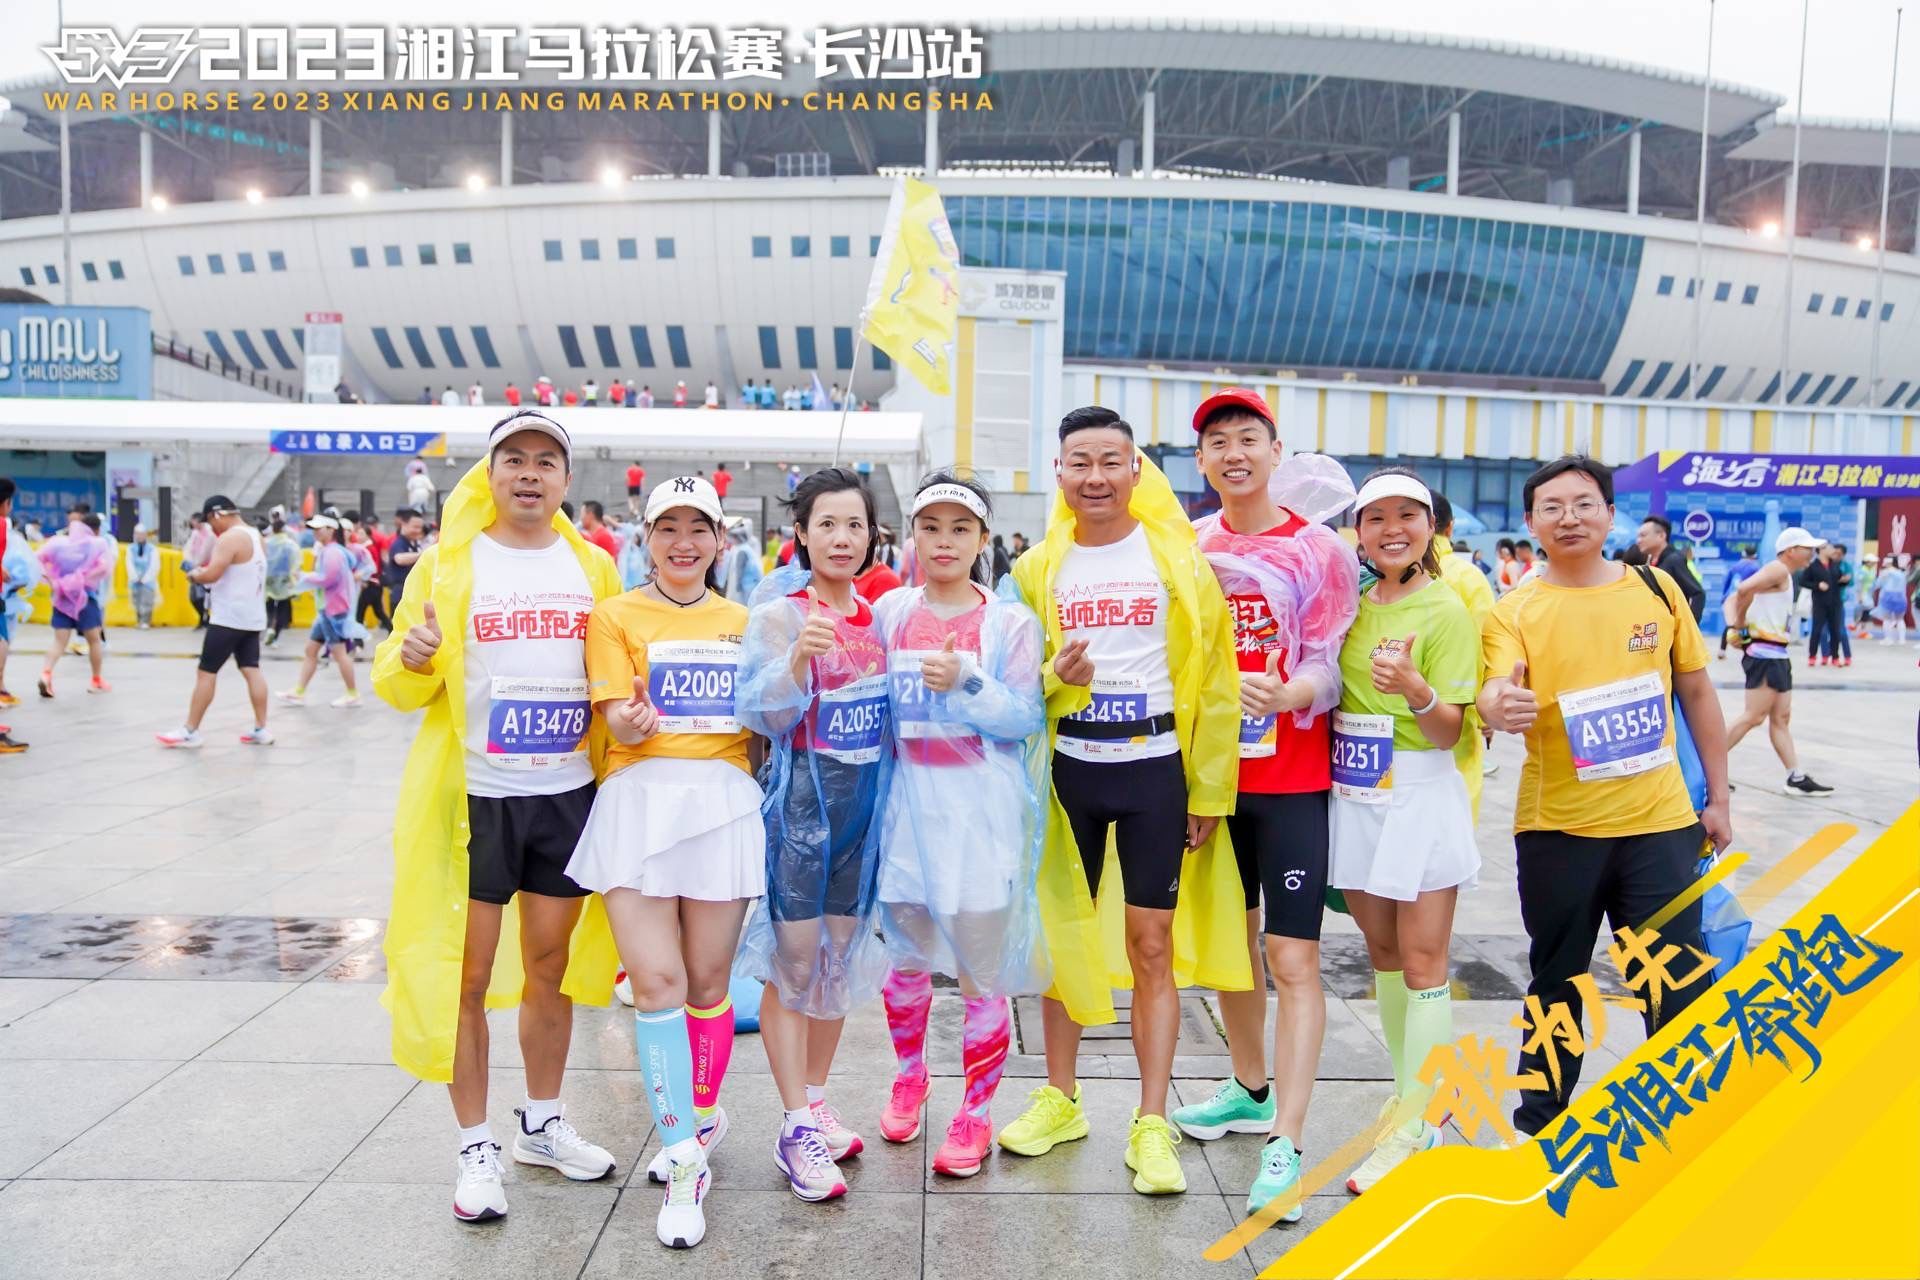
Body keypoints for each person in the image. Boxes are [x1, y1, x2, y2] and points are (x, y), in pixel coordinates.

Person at [373, 411, 624, 1224]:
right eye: (513, 458)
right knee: (468, 978)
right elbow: (396, 676)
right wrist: (411, 659)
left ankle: (543, 1124)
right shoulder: (448, 562)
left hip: (565, 794)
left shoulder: (593, 566)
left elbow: (617, 671)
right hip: (475, 800)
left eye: (546, 461)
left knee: (550, 968)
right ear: (489, 473)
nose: (529, 473)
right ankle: (474, 1145)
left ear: (566, 480)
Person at [1001, 406, 1243, 1197]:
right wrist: (1055, 678)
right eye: (1081, 462)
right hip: (1069, 773)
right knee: (1062, 936)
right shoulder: (1037, 568)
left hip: (1155, 772)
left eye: (1112, 460)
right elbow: (1012, 681)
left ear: (1137, 470)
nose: (1096, 476)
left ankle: (1151, 1120)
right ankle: (1060, 1098)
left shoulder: (1178, 560)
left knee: (1151, 945)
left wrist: (1210, 789)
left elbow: (1218, 680)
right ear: (1060, 473)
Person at [1479, 454, 1732, 1139]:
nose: (1569, 518)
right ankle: (1538, 1128)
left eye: (1584, 503)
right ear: (1531, 522)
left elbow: (1697, 692)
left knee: (1676, 982)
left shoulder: (1656, 589)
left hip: (1662, 825)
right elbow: (1496, 687)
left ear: (1611, 515)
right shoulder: (1514, 610)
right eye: (1552, 507)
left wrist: (1720, 798)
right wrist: (1500, 704)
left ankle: (1686, 1125)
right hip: (1558, 830)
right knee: (1557, 982)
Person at [1172, 389, 1358, 1221]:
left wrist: (1290, 693)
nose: (1234, 453)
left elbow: (1329, 659)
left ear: (1277, 452)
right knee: (1229, 948)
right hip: (1214, 785)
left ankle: (1286, 1139)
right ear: (1202, 462)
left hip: (1291, 780)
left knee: (1291, 956)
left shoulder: (1318, 549)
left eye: (1248, 438)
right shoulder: (1191, 546)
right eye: (1218, 442)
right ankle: (1249, 1089)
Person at [564, 475, 761, 1248]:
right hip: (638, 801)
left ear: (719, 540)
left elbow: (765, 718)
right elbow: (616, 714)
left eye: (698, 527)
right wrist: (633, 719)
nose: (684, 542)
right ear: (646, 537)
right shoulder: (614, 615)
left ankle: (702, 1117)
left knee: (709, 984)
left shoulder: (745, 622)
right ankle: (681, 1158)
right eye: (668, 527)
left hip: (722, 803)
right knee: (655, 984)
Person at [873, 471, 1047, 1178]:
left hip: (979, 815)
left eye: (960, 529)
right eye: (931, 527)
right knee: (906, 960)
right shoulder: (889, 612)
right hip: (906, 812)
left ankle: (976, 1112)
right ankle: (910, 1076)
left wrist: (968, 684)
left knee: (981, 971)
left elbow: (1025, 716)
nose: (944, 542)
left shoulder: (1010, 623)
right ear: (912, 535)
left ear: (982, 539)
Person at [734, 467, 894, 1203]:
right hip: (800, 816)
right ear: (801, 533)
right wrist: (799, 656)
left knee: (836, 962)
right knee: (794, 964)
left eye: (854, 524)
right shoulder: (780, 614)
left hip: (861, 819)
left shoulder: (880, 619)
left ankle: (819, 1100)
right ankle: (794, 1123)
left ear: (871, 535)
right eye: (826, 524)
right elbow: (760, 713)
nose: (841, 538)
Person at [1326, 468, 1481, 1193]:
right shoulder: (1349, 604)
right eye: (1376, 517)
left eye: (1407, 516)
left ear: (1430, 527)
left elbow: (1450, 730)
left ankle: (1420, 1123)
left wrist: (1416, 690)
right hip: (1356, 792)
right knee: (1383, 956)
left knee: (1423, 961)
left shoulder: (1445, 610)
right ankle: (1407, 1093)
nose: (1392, 530)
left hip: (1418, 794)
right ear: (1359, 531)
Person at [1723, 528, 1836, 795]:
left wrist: (1735, 627)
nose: (1811, 554)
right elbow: (1741, 590)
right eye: (1807, 549)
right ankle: (1704, 769)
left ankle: (1795, 776)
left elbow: (1733, 598)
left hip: (1777, 654)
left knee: (1781, 718)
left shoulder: (1782, 574)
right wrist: (1738, 627)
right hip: (1764, 654)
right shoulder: (1778, 569)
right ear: (1791, 551)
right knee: (1753, 716)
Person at [158, 496, 272, 748]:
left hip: (228, 618)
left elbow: (213, 573)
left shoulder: (230, 538)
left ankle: (190, 730)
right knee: (251, 669)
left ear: (217, 514)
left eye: (211, 523)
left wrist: (195, 576)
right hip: (252, 617)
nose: (212, 529)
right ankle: (261, 728)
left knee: (206, 672)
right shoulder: (257, 537)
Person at [1431, 492, 1498, 812]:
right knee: (1456, 807)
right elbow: (1487, 645)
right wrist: (1485, 712)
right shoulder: (1468, 575)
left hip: (1395, 716)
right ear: (1450, 527)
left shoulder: (1385, 573)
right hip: (1459, 715)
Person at [276, 513, 361, 707]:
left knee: (339, 653)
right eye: (313, 528)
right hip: (328, 610)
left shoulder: (332, 552)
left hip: (333, 610)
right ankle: (299, 692)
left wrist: (304, 577)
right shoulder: (331, 550)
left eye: (318, 528)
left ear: (331, 530)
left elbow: (327, 579)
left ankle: (353, 694)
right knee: (311, 650)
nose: (315, 532)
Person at [35, 508, 113, 697]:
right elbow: (105, 568)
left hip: (62, 598)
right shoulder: (97, 544)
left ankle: (46, 673)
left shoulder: (59, 543)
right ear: (96, 529)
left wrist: (54, 581)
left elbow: (38, 558)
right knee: (94, 640)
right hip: (86, 598)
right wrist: (84, 578)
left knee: (59, 642)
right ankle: (96, 680)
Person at [1635, 516, 1705, 623]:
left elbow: (1698, 594)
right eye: (1638, 536)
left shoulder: (1673, 560)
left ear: (1661, 536)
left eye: (1643, 535)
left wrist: (1689, 626)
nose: (1638, 541)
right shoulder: (1651, 563)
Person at [1803, 543, 1852, 667]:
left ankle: (1835, 657)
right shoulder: (1813, 566)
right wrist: (1817, 585)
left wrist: (1844, 581)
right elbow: (1803, 581)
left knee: (1835, 630)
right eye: (1829, 548)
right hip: (1820, 603)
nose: (1832, 550)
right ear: (1821, 550)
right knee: (1817, 630)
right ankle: (1812, 656)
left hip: (1835, 602)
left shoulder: (1834, 565)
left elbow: (1838, 581)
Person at [264, 516, 302, 647]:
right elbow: (296, 563)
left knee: (269, 607)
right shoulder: (290, 545)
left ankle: (269, 627)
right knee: (282, 609)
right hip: (285, 581)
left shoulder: (266, 543)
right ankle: (275, 636)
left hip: (268, 580)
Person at [1718, 546, 1761, 658]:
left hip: (1730, 599)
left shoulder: (1734, 566)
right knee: (1744, 623)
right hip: (1743, 598)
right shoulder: (1755, 568)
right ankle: (1747, 648)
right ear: (1754, 556)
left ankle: (1722, 650)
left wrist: (1724, 598)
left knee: (1730, 623)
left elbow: (1726, 583)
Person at [355, 516, 393, 632]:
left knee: (360, 613)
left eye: (361, 534)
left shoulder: (368, 549)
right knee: (378, 612)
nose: (358, 536)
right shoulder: (367, 547)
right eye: (358, 533)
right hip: (374, 585)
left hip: (370, 584)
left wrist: (364, 579)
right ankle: (391, 630)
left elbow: (373, 568)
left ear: (368, 535)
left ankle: (358, 639)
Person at [386, 510, 427, 606]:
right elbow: (399, 559)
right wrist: (424, 554)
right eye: (415, 527)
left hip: (413, 594)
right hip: (401, 595)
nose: (418, 531)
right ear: (404, 524)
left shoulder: (414, 543)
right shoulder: (398, 543)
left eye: (420, 528)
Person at [184, 512, 216, 628]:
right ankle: (202, 617)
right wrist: (190, 562)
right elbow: (188, 549)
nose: (192, 523)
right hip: (195, 568)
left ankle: (206, 618)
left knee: (205, 596)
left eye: (193, 520)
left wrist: (198, 564)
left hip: (206, 568)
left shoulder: (210, 533)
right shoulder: (194, 533)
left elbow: (206, 553)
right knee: (194, 597)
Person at [720, 520, 763, 602]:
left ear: (737, 537)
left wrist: (737, 587)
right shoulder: (743, 548)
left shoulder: (741, 551)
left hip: (744, 587)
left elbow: (739, 570)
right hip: (749, 585)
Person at [128, 525, 161, 629]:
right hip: (135, 580)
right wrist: (135, 577)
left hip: (148, 581)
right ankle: (139, 620)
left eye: (141, 534)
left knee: (147, 601)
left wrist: (145, 578)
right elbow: (129, 564)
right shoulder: (131, 548)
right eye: (137, 534)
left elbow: (154, 565)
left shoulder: (152, 549)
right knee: (136, 601)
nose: (139, 536)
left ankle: (146, 621)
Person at [1873, 554, 1911, 644]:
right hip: (1901, 598)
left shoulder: (1885, 572)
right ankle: (1902, 639)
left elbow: (1877, 584)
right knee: (1900, 619)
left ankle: (1888, 639)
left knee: (1887, 619)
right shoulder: (1902, 572)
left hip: (1887, 597)